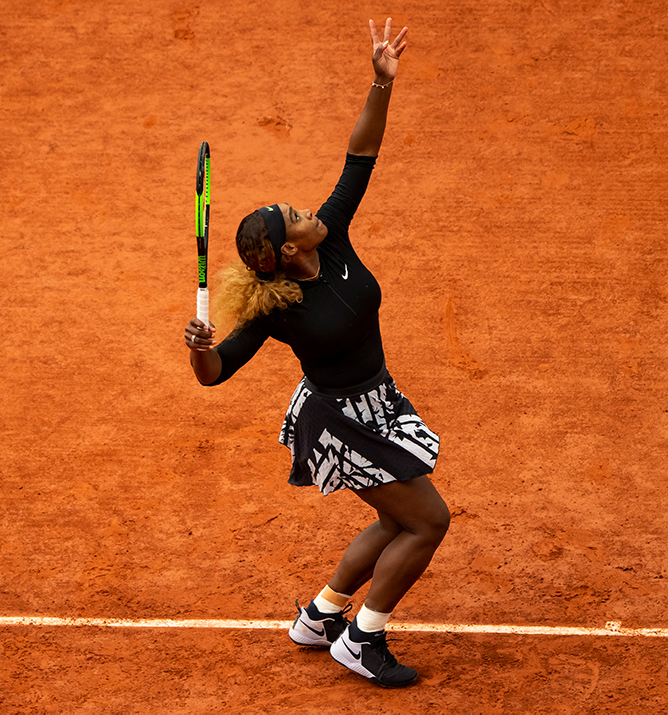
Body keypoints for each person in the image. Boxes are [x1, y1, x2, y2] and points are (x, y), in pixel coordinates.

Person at [183, 18, 450, 689]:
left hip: (377, 400)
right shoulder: (278, 310)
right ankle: (364, 638)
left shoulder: (330, 236)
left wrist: (379, 84)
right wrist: (199, 347)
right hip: (339, 420)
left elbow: (360, 154)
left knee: (398, 515)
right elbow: (214, 375)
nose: (304, 209)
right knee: (426, 521)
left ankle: (321, 615)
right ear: (287, 250)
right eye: (292, 215)